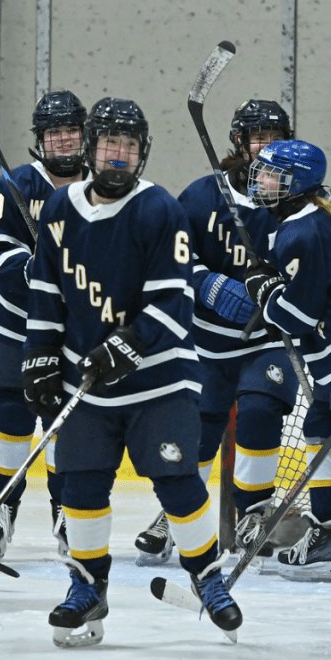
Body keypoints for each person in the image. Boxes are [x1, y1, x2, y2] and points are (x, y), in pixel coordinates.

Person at [24, 96, 241, 647]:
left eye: (130, 146)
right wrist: (41, 356)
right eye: (110, 145)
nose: (119, 156)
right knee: (81, 484)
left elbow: (173, 302)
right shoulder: (59, 209)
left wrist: (128, 345)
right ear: (91, 148)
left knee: (177, 480)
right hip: (87, 383)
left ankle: (207, 576)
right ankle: (87, 584)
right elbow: (47, 294)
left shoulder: (159, 210)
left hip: (160, 382)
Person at [131, 99, 300, 569]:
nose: (264, 145)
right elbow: (173, 257)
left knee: (261, 412)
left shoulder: (295, 200)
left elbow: (310, 262)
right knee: (197, 429)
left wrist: (274, 290)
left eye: (273, 136)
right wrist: (209, 284)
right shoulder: (202, 196)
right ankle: (176, 515)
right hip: (204, 340)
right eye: (256, 136)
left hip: (266, 340)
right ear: (238, 143)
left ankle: (253, 514)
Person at [239, 139, 331, 583]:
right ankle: (325, 537)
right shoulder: (301, 223)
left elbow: (299, 316)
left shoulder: (303, 230)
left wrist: (264, 292)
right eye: (262, 172)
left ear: (296, 184)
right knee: (319, 432)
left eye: (272, 175)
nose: (261, 181)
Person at [0, 90, 89, 561]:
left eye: (71, 131)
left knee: (66, 420)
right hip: (14, 321)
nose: (63, 140)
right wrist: (33, 268)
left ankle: (66, 511)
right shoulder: (18, 183)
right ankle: (2, 510)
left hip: (73, 327)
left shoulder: (100, 186)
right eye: (54, 133)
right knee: (12, 415)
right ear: (40, 140)